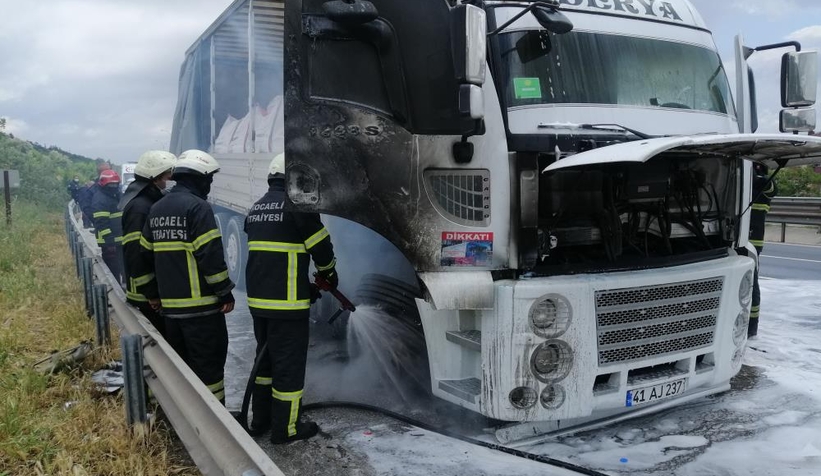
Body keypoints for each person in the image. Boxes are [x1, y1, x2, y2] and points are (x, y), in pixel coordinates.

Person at [244, 152, 339, 444]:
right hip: (287, 306)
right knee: (288, 369)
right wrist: (329, 274)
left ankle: (260, 421)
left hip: (260, 303)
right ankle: (286, 429)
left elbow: (275, 256)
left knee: (265, 365)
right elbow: (320, 247)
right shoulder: (298, 204)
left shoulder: (257, 208)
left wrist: (304, 286)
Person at [140, 149, 235, 404]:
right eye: (209, 179)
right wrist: (225, 291)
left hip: (171, 312)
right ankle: (219, 430)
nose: (210, 185)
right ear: (199, 179)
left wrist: (152, 295)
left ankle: (191, 421)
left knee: (184, 370)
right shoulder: (198, 208)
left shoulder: (157, 208)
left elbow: (144, 256)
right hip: (202, 311)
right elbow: (210, 257)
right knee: (210, 371)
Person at [119, 150, 177, 335]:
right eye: (168, 175)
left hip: (149, 294)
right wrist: (151, 293)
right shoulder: (140, 208)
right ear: (155, 178)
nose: (170, 180)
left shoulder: (146, 201)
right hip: (145, 297)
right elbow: (135, 253)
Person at [748, 163, 777, 338]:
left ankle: (752, 327)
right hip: (735, 239)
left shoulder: (763, 184)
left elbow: (772, 188)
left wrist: (755, 175)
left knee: (752, 285)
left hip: (753, 242)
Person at [91, 169, 124, 284]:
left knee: (122, 268)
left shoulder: (116, 195)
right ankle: (116, 292)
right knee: (113, 270)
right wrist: (110, 242)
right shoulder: (100, 199)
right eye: (111, 184)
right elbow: (101, 223)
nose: (114, 186)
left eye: (116, 184)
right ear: (103, 184)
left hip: (120, 241)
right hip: (109, 243)